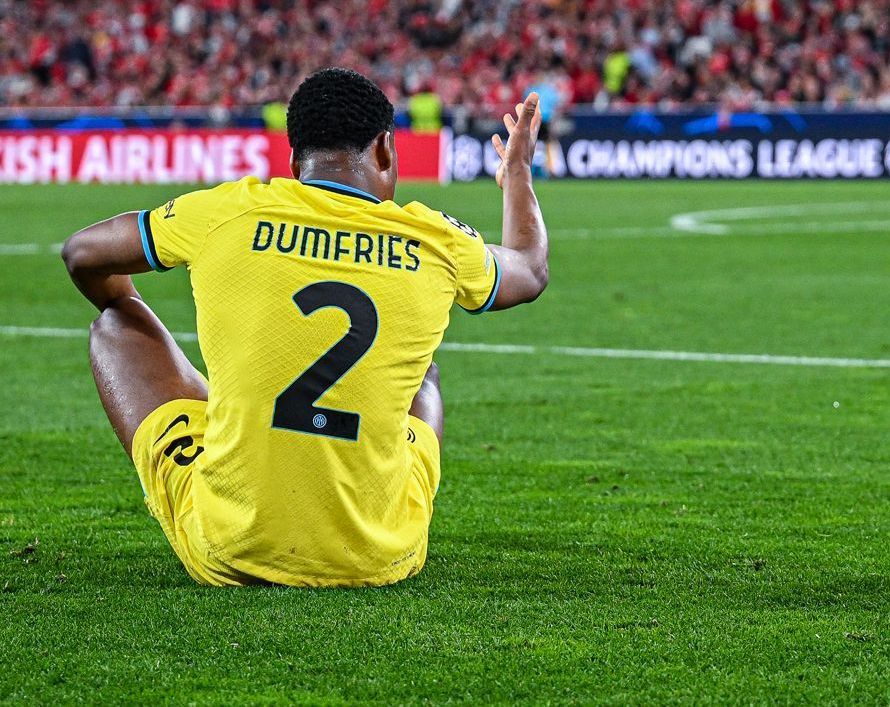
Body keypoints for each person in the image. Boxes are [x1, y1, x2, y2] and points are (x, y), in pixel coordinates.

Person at [60, 68, 550, 587]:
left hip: (232, 546)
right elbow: (530, 267)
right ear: (385, 149)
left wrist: (129, 304)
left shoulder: (228, 210)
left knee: (114, 326)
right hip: (382, 555)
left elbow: (80, 254)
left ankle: (227, 431)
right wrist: (517, 172)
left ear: (295, 162)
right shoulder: (437, 240)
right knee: (421, 373)